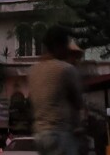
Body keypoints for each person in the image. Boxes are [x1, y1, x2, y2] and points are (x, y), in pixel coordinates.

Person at [29, 26, 84, 155]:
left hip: (40, 135)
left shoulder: (33, 71)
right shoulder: (66, 70)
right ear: (59, 46)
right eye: (65, 45)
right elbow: (78, 102)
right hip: (60, 134)